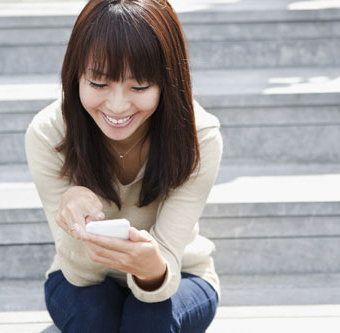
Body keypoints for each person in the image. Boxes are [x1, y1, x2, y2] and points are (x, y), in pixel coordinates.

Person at [24, 0, 223, 332]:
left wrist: (149, 269)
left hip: (179, 272)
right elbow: (80, 275)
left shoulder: (198, 136)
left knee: (148, 317)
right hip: (80, 280)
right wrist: (75, 212)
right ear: (76, 76)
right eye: (99, 84)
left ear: (168, 82)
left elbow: (168, 268)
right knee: (93, 315)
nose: (117, 106)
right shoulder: (49, 132)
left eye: (140, 87)